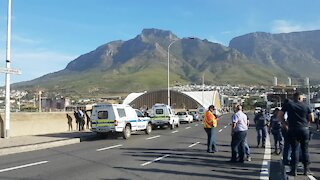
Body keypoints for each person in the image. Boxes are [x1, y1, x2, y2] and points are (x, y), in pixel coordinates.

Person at [278, 92, 314, 176]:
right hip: (304, 129)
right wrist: (307, 124)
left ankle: (294, 170)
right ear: (300, 98)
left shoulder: (289, 105)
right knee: (305, 150)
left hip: (293, 129)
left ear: (294, 98)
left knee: (295, 150)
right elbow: (311, 118)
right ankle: (306, 170)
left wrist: (284, 123)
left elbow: (280, 115)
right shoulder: (306, 106)